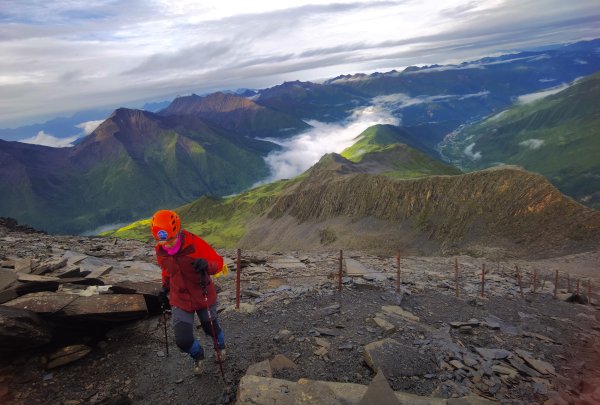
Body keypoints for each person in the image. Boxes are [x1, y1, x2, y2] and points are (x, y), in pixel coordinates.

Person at [151, 209, 226, 376]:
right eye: (162, 241)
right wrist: (165, 288)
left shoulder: (194, 243)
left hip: (203, 294)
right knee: (182, 340)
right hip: (180, 299)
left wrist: (206, 264)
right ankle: (198, 355)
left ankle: (220, 347)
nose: (167, 244)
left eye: (171, 239)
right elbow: (167, 271)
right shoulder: (160, 251)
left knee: (211, 327)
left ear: (177, 231)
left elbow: (218, 263)